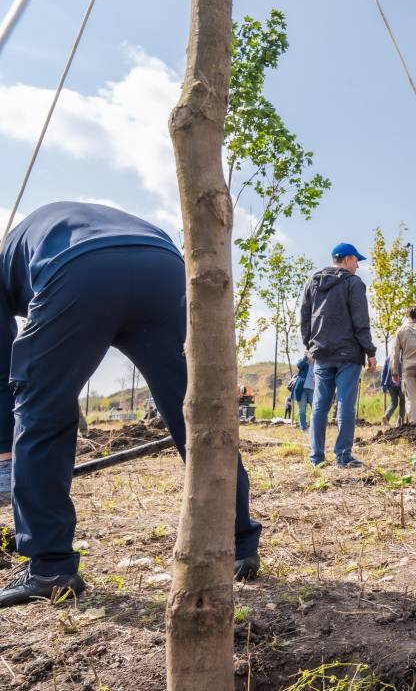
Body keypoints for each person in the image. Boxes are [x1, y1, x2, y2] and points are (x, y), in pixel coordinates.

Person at [0, 202, 262, 607]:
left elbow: (5, 371)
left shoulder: (7, 259)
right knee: (192, 412)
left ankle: (50, 567)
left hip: (79, 271)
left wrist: (6, 446)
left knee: (40, 413)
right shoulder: (55, 224)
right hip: (164, 266)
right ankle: (238, 543)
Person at [300, 242, 377, 468]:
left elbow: (304, 317)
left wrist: (310, 344)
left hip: (321, 352)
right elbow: (361, 321)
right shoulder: (353, 283)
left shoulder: (313, 282)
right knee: (345, 404)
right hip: (348, 354)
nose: (358, 266)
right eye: (357, 261)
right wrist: (370, 351)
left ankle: (316, 458)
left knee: (320, 405)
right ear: (348, 259)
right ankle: (343, 456)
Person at [292, 356, 315, 431]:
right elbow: (299, 365)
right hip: (302, 389)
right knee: (302, 410)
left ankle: (313, 427)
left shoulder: (317, 364)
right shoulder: (304, 362)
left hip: (313, 390)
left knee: (315, 409)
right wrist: (305, 357)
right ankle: (303, 428)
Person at [380, 356, 405, 426]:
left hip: (390, 384)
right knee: (403, 403)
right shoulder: (403, 357)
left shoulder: (388, 358)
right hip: (401, 384)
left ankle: (386, 416)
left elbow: (383, 372)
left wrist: (383, 384)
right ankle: (400, 422)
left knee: (393, 403)